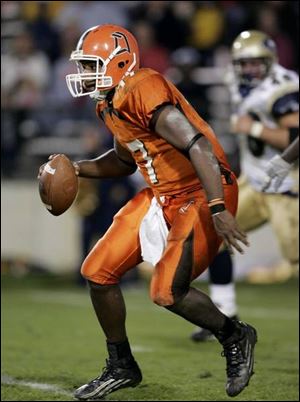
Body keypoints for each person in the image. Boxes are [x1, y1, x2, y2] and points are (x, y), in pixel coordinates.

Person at [39, 24, 257, 400]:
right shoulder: (108, 102)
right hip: (162, 195)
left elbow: (199, 146)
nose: (86, 74)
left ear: (119, 62)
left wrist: (219, 206)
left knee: (166, 292)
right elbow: (125, 162)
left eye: (92, 65)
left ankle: (235, 335)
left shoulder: (142, 88)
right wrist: (77, 167)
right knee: (98, 271)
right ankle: (121, 364)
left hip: (203, 192)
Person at [191, 29, 299, 341]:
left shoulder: (283, 88)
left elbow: (295, 138)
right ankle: (224, 314)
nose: (249, 69)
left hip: (287, 188)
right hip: (254, 183)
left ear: (271, 61)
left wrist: (252, 127)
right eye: (244, 63)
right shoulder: (237, 82)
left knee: (295, 261)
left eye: (256, 63)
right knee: (218, 233)